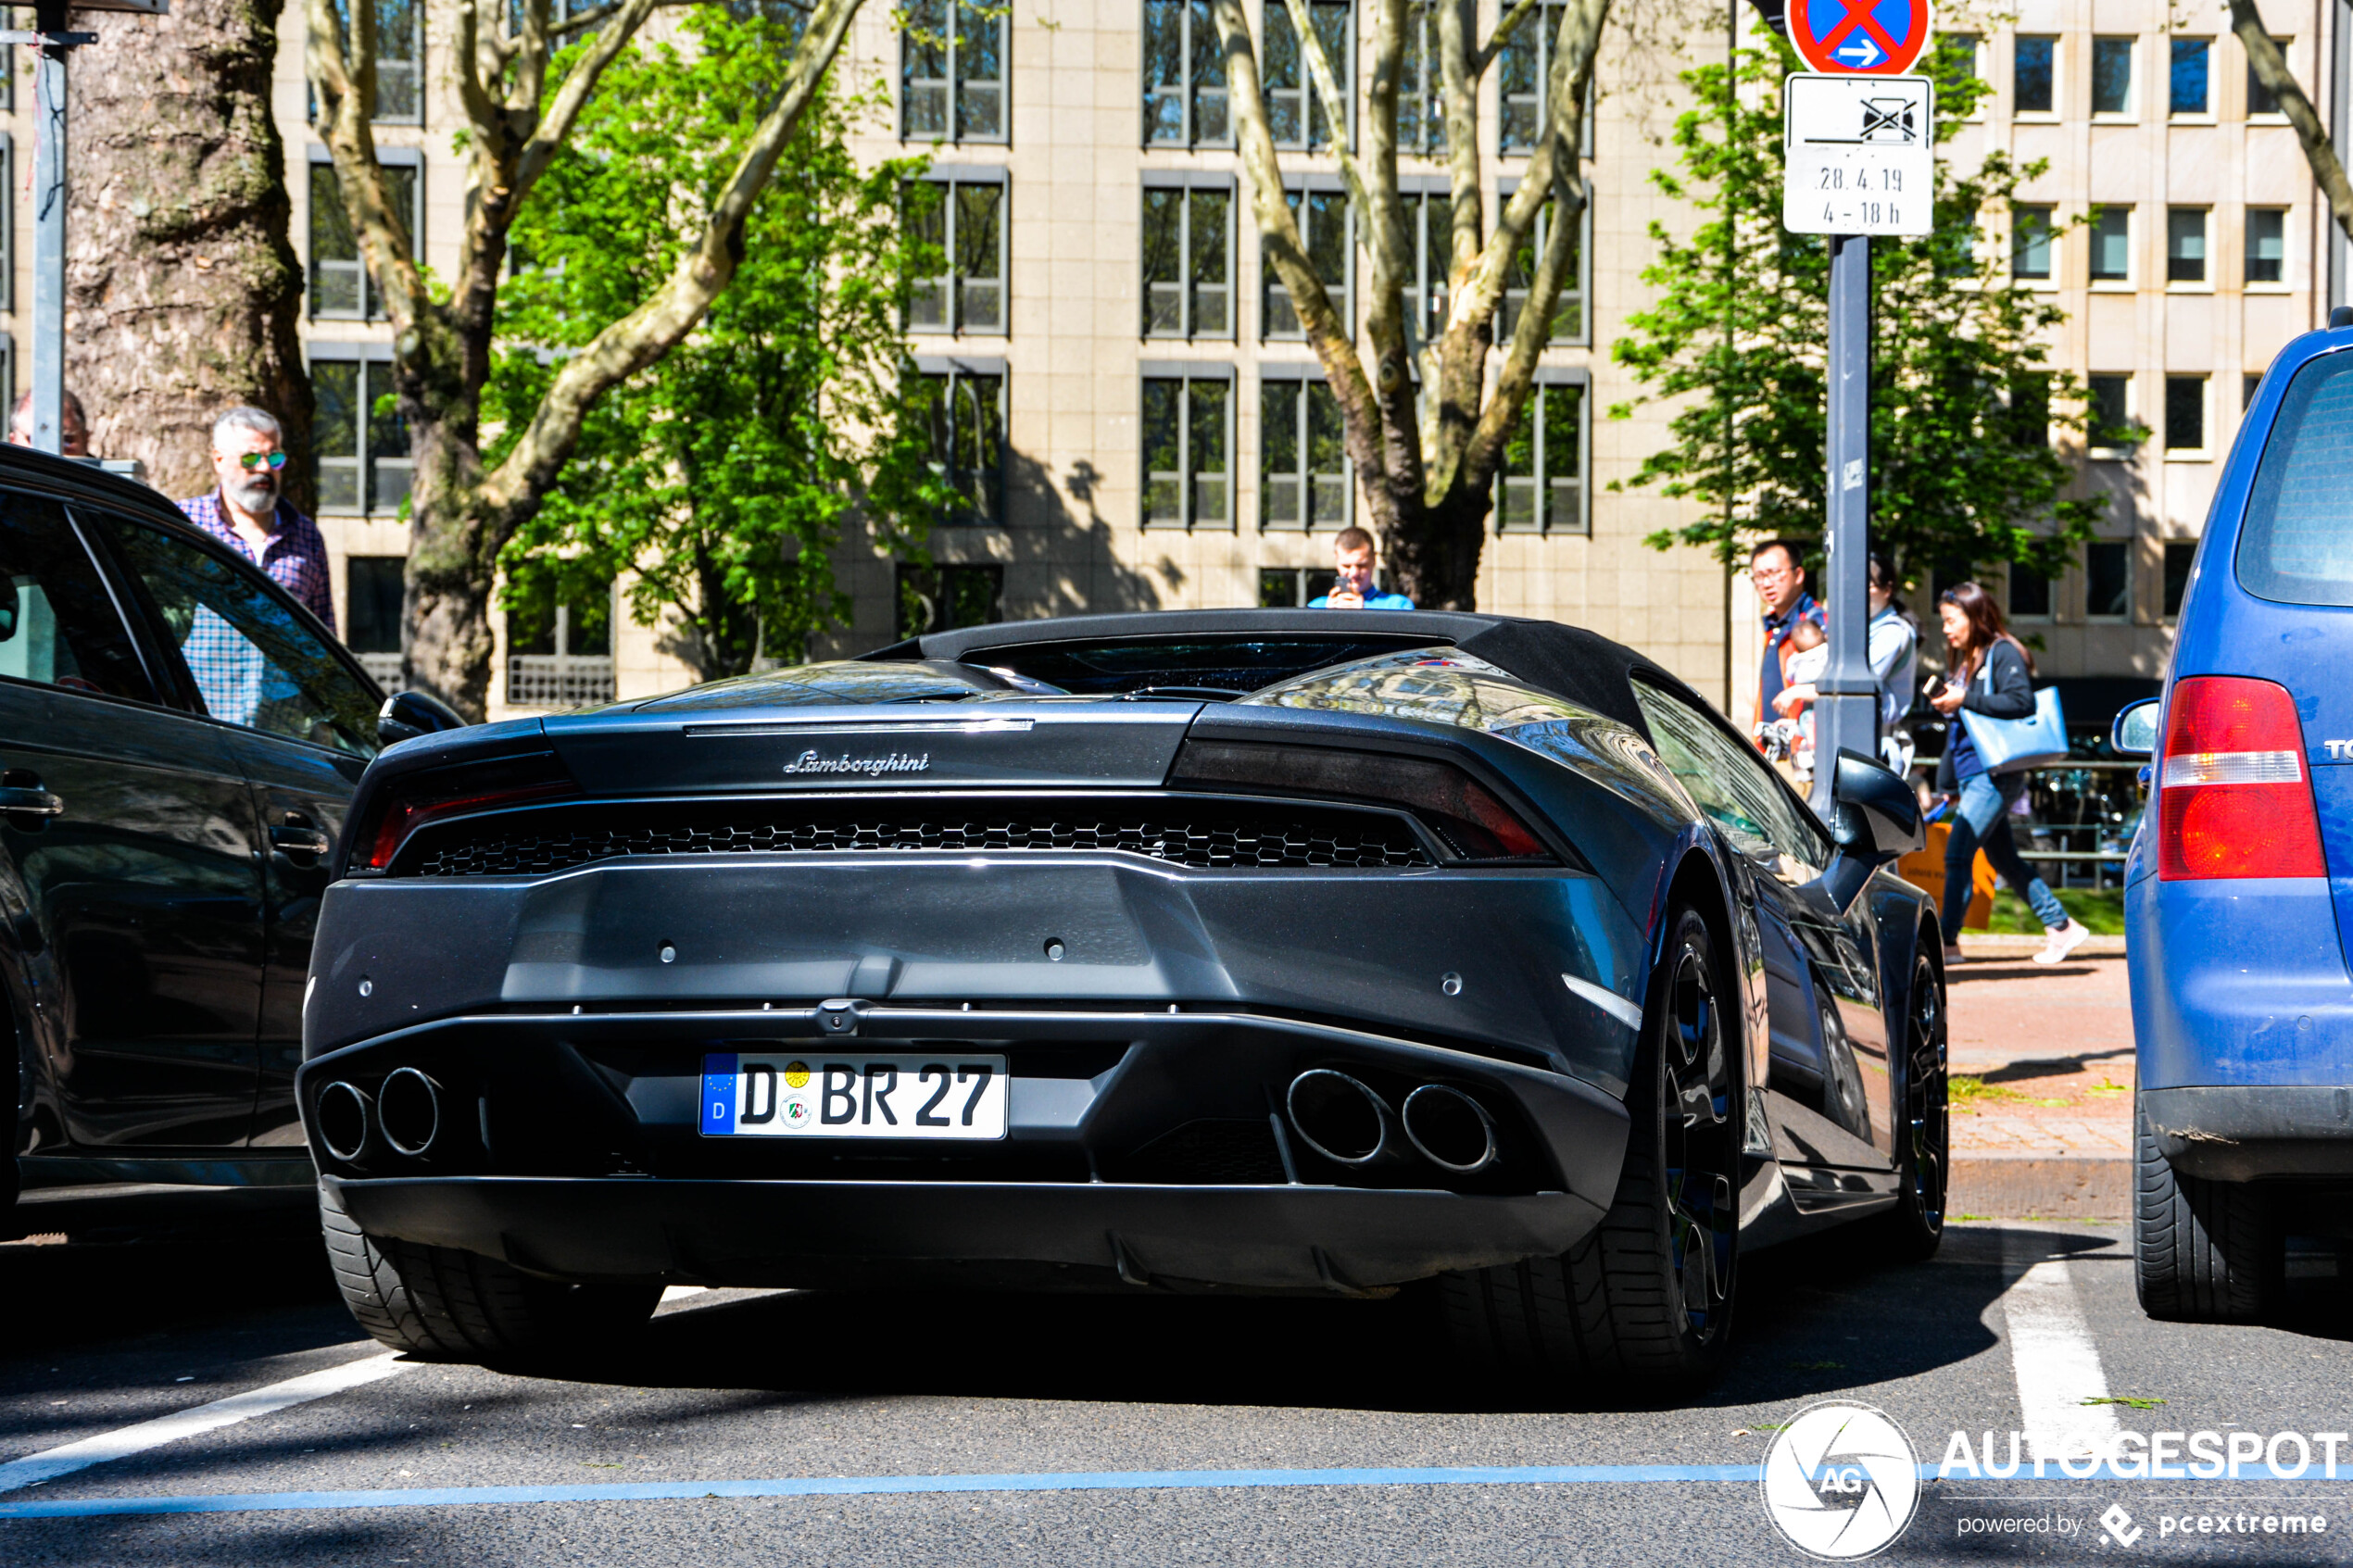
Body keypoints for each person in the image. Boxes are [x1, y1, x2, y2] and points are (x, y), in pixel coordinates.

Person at [1929, 582, 2089, 966]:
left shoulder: (2002, 653)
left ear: (1974, 615)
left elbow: (2020, 701)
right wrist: (1947, 784)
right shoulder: (1970, 659)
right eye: (1944, 622)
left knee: (1957, 853)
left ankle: (1946, 943)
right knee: (2004, 859)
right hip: (1974, 773)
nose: (1947, 629)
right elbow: (1961, 730)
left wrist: (1964, 698)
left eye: (1952, 620)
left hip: (1996, 773)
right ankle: (2062, 926)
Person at [178, 407, 334, 633]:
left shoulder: (306, 535)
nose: (265, 468)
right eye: (250, 458)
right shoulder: (185, 523)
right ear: (219, 460)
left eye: (275, 458)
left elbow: (323, 630)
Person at [1749, 539, 1823, 729]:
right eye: (1759, 576)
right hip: (1772, 744)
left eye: (1774, 573)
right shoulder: (1772, 623)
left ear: (1798, 575)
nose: (1766, 583)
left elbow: (1833, 689)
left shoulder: (1816, 624)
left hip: (1804, 743)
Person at [1867, 553, 1920, 772]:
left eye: (1867, 584)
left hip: (1878, 744)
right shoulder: (1865, 629)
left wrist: (1800, 691)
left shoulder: (1892, 631)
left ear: (1887, 590)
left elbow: (1858, 682)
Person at [1309, 526, 1415, 609]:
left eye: (1361, 565)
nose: (1354, 573)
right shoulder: (1316, 607)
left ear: (1374, 560)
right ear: (1336, 560)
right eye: (1346, 566)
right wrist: (1324, 618)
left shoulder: (1398, 606)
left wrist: (1363, 616)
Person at [6, 390, 89, 457]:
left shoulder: (99, 475)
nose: (49, 451)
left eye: (65, 440)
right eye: (35, 440)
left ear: (85, 440)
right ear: (13, 441)